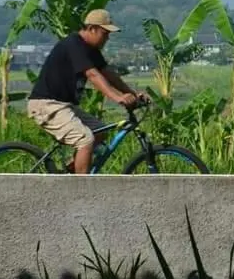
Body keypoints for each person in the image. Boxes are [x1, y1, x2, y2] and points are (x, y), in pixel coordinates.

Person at [26, 9, 147, 175]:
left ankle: (72, 171)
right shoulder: (74, 45)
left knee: (100, 132)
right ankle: (82, 190)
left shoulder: (91, 50)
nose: (107, 38)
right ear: (91, 29)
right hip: (47, 105)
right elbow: (93, 74)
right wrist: (118, 98)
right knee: (85, 139)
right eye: (105, 33)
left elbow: (108, 73)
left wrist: (132, 93)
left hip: (63, 106)